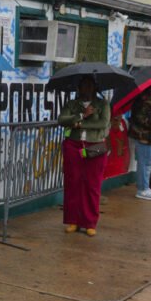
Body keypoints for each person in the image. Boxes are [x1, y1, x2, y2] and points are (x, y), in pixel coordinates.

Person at [57, 75, 111, 237]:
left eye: (89, 85)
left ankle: (89, 222)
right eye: (83, 85)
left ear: (95, 87)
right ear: (78, 88)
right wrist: (81, 115)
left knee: (92, 185)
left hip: (95, 147)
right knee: (73, 182)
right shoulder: (72, 104)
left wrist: (79, 124)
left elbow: (103, 123)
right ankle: (73, 220)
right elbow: (62, 120)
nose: (86, 89)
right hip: (73, 146)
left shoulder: (103, 104)